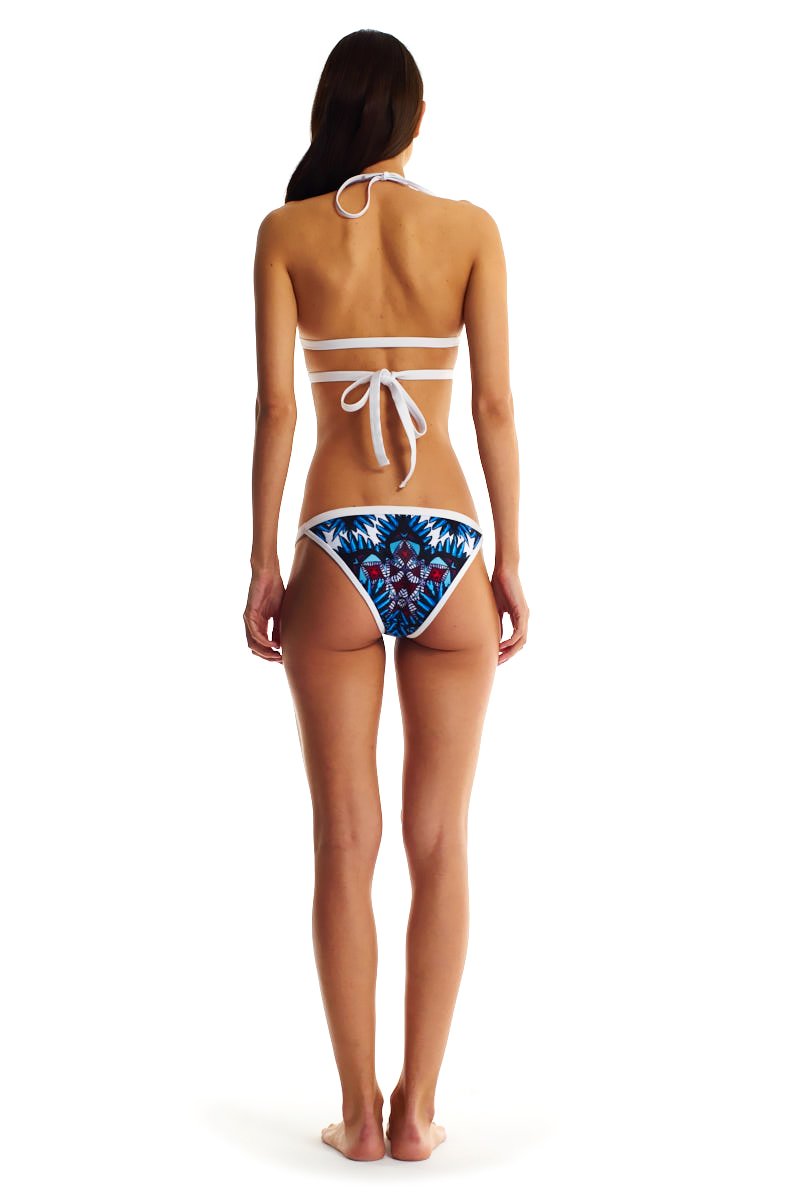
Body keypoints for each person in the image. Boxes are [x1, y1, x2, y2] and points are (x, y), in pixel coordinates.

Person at [243, 28, 529, 1163]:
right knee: (440, 838)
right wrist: (510, 558)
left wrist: (262, 562)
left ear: (331, 117)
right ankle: (417, 1113)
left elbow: (277, 409)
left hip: (338, 545)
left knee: (344, 837)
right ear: (412, 120)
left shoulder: (286, 234)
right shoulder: (470, 230)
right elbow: (493, 408)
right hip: (447, 542)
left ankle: (358, 1114)